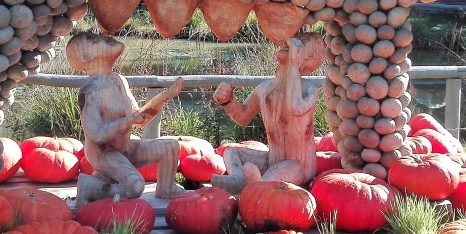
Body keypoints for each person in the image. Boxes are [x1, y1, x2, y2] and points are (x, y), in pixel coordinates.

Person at [68, 32, 186, 204]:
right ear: (86, 56)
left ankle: (166, 189)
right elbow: (95, 134)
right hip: (104, 154)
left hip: (125, 148)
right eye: (94, 40)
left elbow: (139, 118)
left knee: (170, 146)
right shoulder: (90, 91)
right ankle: (90, 187)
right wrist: (126, 121)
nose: (104, 37)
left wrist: (164, 97)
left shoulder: (118, 80)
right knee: (135, 186)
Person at [210, 32, 325, 194]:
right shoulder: (264, 89)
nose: (289, 42)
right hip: (272, 159)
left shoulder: (308, 89)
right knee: (232, 152)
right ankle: (238, 179)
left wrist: (294, 64)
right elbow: (242, 117)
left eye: (301, 43)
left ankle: (258, 185)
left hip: (298, 166)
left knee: (279, 171)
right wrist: (228, 101)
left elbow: (295, 107)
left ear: (310, 57)